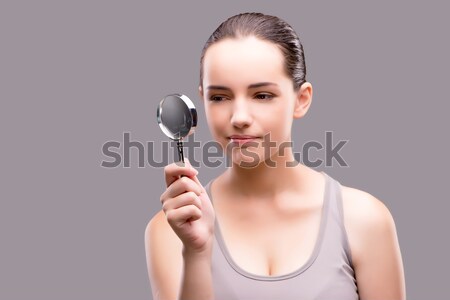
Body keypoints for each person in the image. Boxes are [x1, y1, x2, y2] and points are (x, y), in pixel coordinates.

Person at [145, 12, 406, 300]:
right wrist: (196, 253)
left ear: (301, 99)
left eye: (262, 96)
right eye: (219, 97)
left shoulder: (364, 220)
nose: (239, 117)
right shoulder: (173, 228)